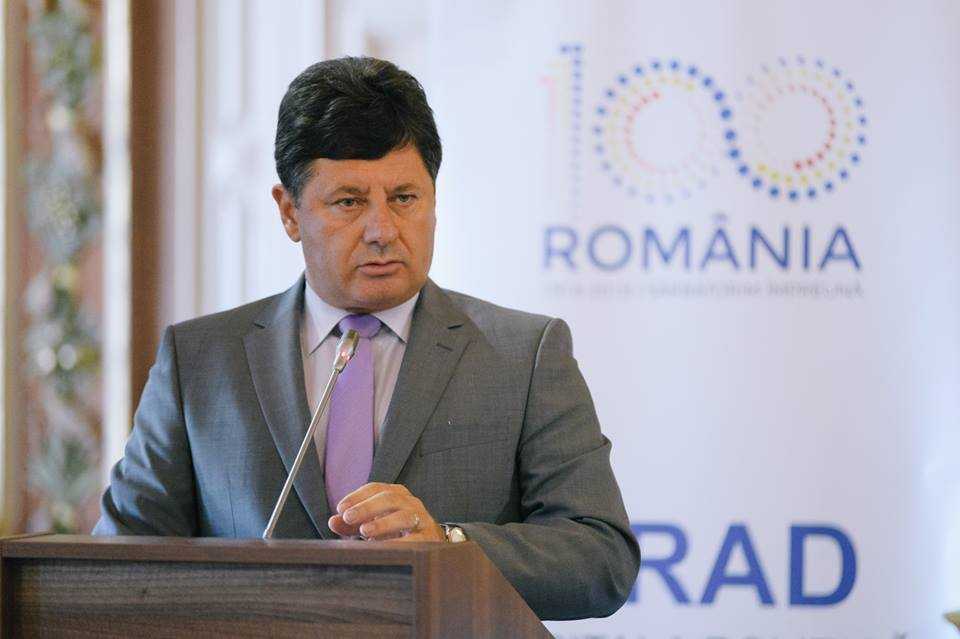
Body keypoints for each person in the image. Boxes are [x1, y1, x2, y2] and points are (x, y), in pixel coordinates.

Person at [93, 56, 639, 620]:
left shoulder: (524, 355)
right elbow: (116, 567)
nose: (382, 230)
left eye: (404, 198)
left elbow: (601, 560)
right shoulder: (200, 362)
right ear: (289, 212)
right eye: (349, 202)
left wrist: (447, 543)